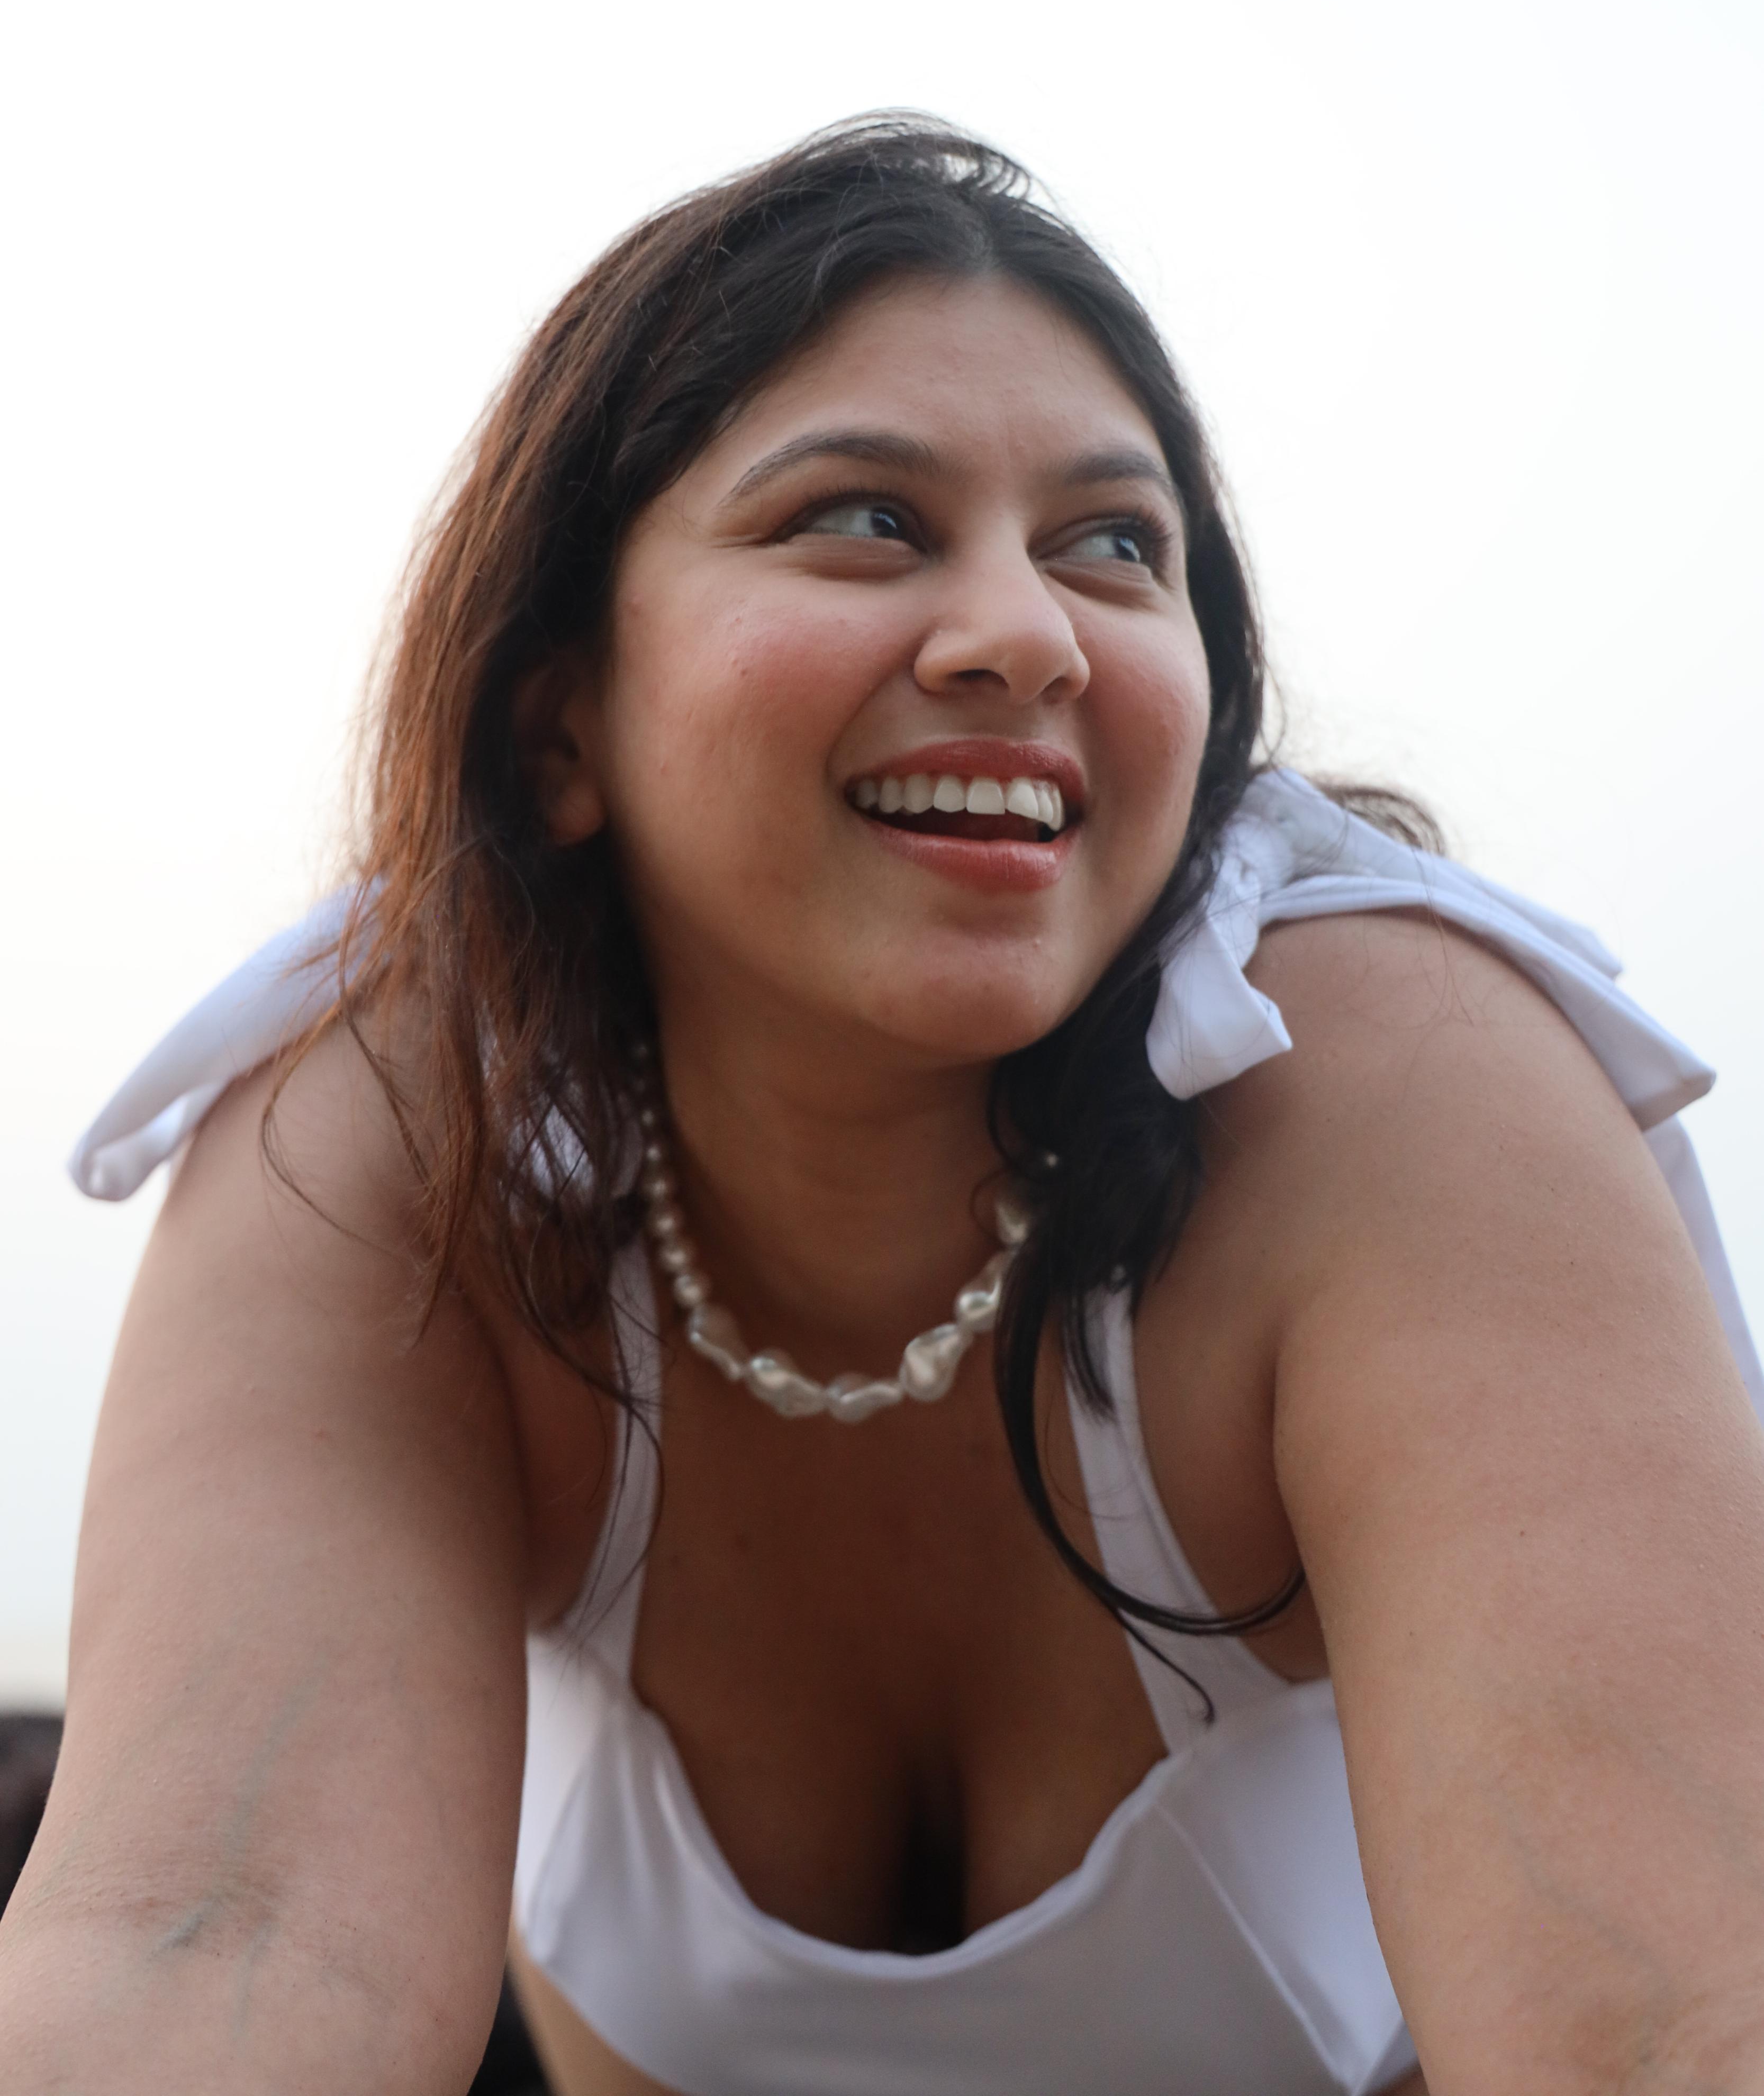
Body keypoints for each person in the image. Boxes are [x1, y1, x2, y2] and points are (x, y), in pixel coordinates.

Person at [5, 119, 1763, 2094]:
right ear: (556, 720)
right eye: (863, 520)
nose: (1025, 631)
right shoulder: (383, 1142)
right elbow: (207, 1954)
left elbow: (1662, 2023)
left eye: (1116, 544)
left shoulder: (1384, 1086)